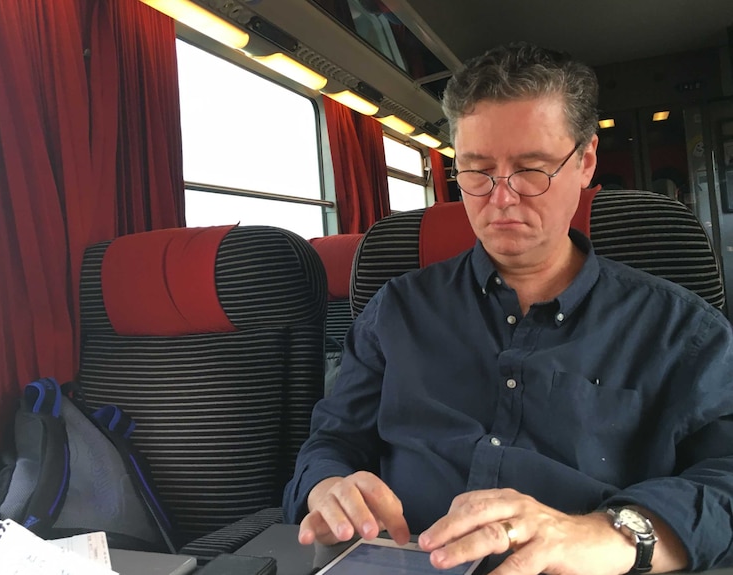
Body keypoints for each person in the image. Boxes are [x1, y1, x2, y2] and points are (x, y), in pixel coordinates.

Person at [283, 42, 733, 574]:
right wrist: (328, 486)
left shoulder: (682, 331)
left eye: (531, 169)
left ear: (586, 162)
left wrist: (609, 533)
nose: (500, 198)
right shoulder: (395, 311)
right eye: (476, 171)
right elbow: (331, 442)